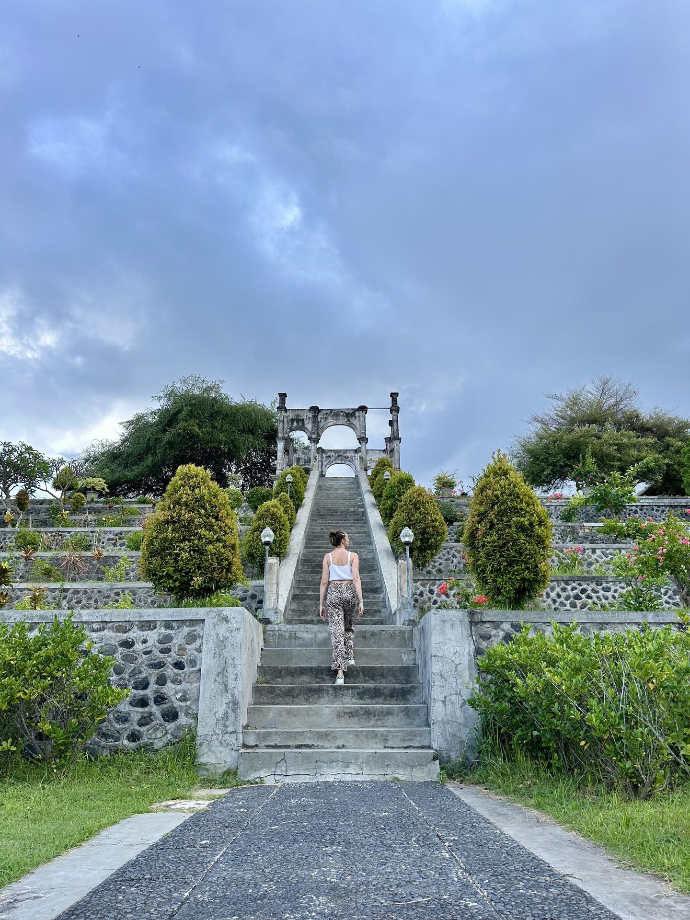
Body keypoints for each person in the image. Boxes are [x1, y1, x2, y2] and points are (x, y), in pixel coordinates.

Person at [319, 529, 364, 685]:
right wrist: (361, 600)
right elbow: (356, 578)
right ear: (343, 540)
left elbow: (324, 582)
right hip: (349, 591)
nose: (349, 539)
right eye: (347, 537)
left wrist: (321, 604)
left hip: (334, 592)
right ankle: (350, 655)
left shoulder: (328, 557)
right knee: (348, 625)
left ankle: (340, 674)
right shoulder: (353, 556)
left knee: (336, 633)